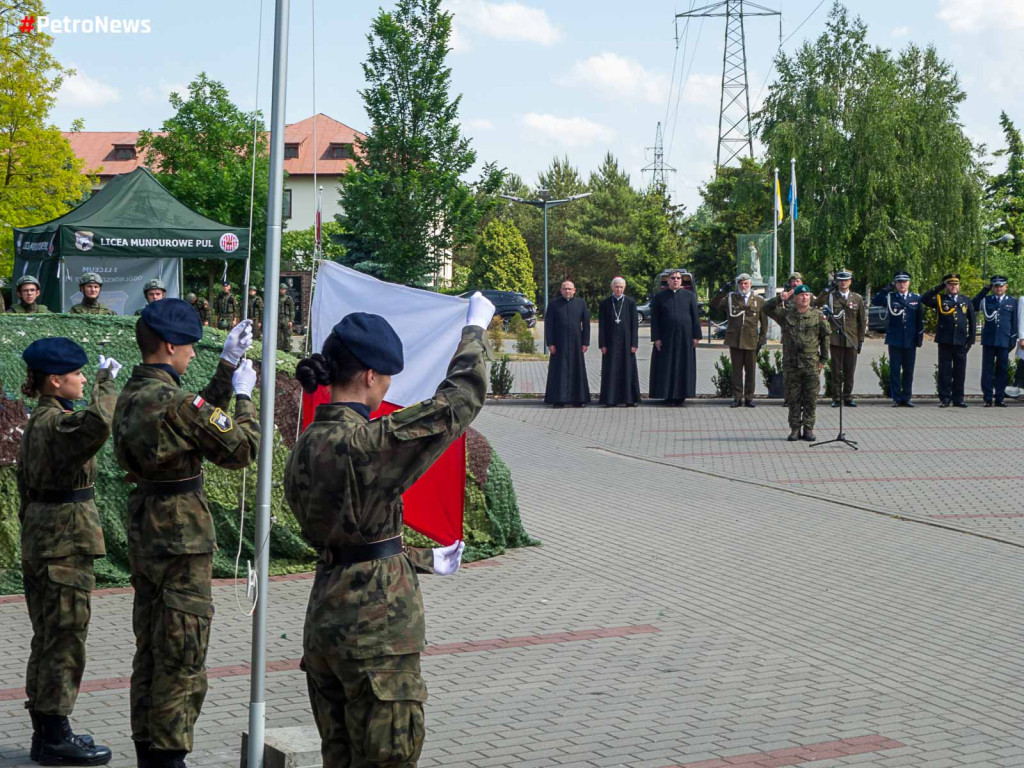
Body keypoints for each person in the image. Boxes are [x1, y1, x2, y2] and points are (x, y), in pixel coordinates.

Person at [285, 293, 495, 767]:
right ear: (369, 376)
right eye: (386, 380)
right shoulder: (365, 443)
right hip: (376, 633)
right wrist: (474, 331)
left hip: (325, 620)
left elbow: (349, 535)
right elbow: (458, 402)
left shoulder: (305, 445)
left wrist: (420, 558)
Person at [112, 301, 259, 768]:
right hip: (182, 538)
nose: (193, 354)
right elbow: (241, 448)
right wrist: (243, 396)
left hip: (146, 527)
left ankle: (148, 754)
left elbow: (189, 421)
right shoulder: (178, 404)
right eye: (191, 347)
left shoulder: (132, 394)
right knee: (183, 654)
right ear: (171, 346)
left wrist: (225, 365)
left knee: (152, 650)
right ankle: (170, 757)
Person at [18, 338, 120, 766]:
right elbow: (97, 427)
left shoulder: (41, 420)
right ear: (55, 380)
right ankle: (56, 734)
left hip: (45, 538)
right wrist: (107, 385)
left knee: (49, 636)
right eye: (76, 374)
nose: (82, 378)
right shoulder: (56, 424)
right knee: (64, 639)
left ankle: (47, 733)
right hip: (62, 544)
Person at [763, 285, 829, 441]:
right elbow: (766, 308)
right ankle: (794, 429)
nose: (804, 298)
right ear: (795, 298)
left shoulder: (817, 316)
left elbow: (825, 337)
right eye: (801, 295)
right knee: (793, 398)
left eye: (807, 295)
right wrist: (780, 298)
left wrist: (823, 359)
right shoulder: (786, 315)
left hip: (811, 363)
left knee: (811, 398)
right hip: (791, 364)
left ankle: (808, 429)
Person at [711, 273, 767, 407]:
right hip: (735, 339)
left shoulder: (759, 300)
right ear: (738, 285)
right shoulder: (731, 298)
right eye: (741, 284)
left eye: (746, 283)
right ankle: (737, 397)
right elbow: (714, 304)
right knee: (736, 371)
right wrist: (721, 292)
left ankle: (749, 398)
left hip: (751, 339)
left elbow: (763, 321)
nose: (743, 286)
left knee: (750, 371)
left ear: (750, 284)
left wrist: (762, 338)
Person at [871, 271, 924, 407]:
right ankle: (896, 398)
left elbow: (919, 321)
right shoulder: (890, 297)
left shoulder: (915, 298)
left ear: (909, 283)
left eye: (904, 281)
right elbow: (875, 301)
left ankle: (906, 397)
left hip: (910, 340)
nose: (902, 284)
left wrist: (919, 338)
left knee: (908, 370)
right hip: (895, 339)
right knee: (895, 370)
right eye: (899, 282)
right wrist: (886, 289)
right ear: (895, 284)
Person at [922, 274, 975, 408]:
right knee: (945, 371)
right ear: (947, 286)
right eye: (950, 284)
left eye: (955, 284)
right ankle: (945, 398)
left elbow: (972, 321)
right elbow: (925, 299)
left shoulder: (965, 300)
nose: (953, 287)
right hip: (945, 341)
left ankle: (958, 398)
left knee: (960, 371)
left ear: (959, 285)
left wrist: (971, 339)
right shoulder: (940, 299)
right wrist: (940, 286)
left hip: (961, 341)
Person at [649, 270, 702, 406]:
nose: (676, 280)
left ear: (681, 281)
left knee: (683, 366)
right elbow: (655, 320)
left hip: (685, 337)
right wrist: (656, 338)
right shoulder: (660, 297)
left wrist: (696, 336)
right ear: (668, 281)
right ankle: (667, 395)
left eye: (678, 278)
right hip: (666, 338)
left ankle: (681, 395)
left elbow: (695, 317)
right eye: (673, 278)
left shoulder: (689, 296)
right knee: (667, 367)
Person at [815, 269, 866, 408]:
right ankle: (836, 398)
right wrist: (826, 290)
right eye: (840, 280)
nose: (843, 283)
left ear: (850, 282)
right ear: (837, 282)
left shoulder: (857, 298)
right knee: (836, 371)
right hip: (835, 339)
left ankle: (848, 397)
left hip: (851, 339)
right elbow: (816, 303)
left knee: (850, 370)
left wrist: (860, 340)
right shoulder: (831, 296)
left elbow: (861, 321)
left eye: (846, 280)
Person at [544, 280, 591, 407]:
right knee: (559, 370)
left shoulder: (581, 304)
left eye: (570, 289)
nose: (567, 291)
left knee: (577, 370)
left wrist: (585, 342)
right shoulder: (554, 304)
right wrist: (550, 343)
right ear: (561, 290)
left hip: (577, 343)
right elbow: (548, 325)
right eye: (565, 289)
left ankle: (578, 399)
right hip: (559, 343)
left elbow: (586, 324)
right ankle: (558, 399)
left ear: (574, 290)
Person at [972, 275, 1017, 407]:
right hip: (989, 340)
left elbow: (1014, 322)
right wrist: (985, 290)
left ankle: (1000, 397)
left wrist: (1013, 339)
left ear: (1006, 287)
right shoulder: (987, 300)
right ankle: (987, 397)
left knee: (1002, 370)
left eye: (1001, 286)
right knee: (987, 370)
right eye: (996, 286)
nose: (998, 288)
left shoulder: (1012, 301)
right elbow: (974, 305)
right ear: (992, 287)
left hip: (1004, 340)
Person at [597, 277, 640, 406]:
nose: (619, 289)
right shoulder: (605, 303)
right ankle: (610, 399)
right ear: (612, 287)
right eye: (616, 286)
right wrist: (602, 344)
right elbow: (602, 326)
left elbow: (634, 326)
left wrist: (634, 343)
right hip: (610, 343)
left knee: (628, 370)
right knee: (610, 370)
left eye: (621, 287)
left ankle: (629, 399)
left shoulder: (630, 303)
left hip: (627, 343)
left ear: (624, 288)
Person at [278, 283, 295, 353]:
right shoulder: (276, 297)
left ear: (285, 290)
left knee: (287, 336)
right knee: (278, 336)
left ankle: (287, 350)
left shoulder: (289, 298)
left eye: (283, 289)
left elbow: (292, 310)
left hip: (286, 318)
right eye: (281, 289)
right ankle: (278, 350)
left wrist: (291, 320)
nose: (282, 291)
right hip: (278, 318)